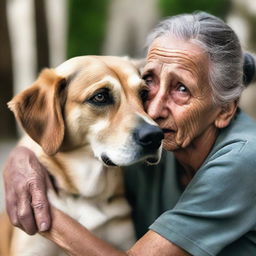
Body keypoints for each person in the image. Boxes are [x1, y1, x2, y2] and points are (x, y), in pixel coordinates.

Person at [4, 11, 256, 256]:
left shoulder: (244, 159)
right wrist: (20, 160)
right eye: (148, 87)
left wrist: (39, 211)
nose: (152, 113)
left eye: (182, 89)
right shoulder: (161, 139)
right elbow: (46, 126)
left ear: (224, 110)